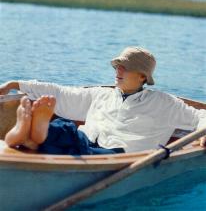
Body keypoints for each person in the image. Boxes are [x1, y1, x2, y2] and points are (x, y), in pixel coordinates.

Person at [0, 46, 206, 155]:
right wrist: (15, 84)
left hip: (117, 153)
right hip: (85, 139)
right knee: (63, 129)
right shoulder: (101, 94)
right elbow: (61, 93)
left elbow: (201, 115)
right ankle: (29, 133)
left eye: (125, 67)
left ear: (143, 76)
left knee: (69, 143)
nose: (118, 71)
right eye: (117, 66)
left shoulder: (164, 103)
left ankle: (28, 136)